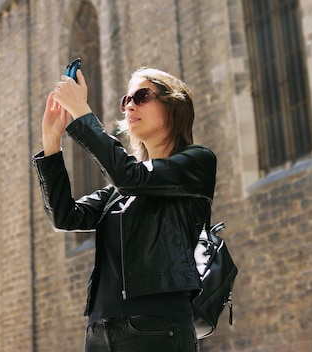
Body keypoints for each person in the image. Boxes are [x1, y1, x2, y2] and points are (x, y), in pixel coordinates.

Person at [32, 66, 216, 351]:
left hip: (157, 327)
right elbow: (65, 217)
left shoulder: (196, 162)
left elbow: (130, 177)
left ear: (174, 104)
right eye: (125, 100)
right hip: (100, 331)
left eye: (141, 96)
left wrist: (81, 111)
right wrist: (51, 142)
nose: (130, 105)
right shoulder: (120, 190)